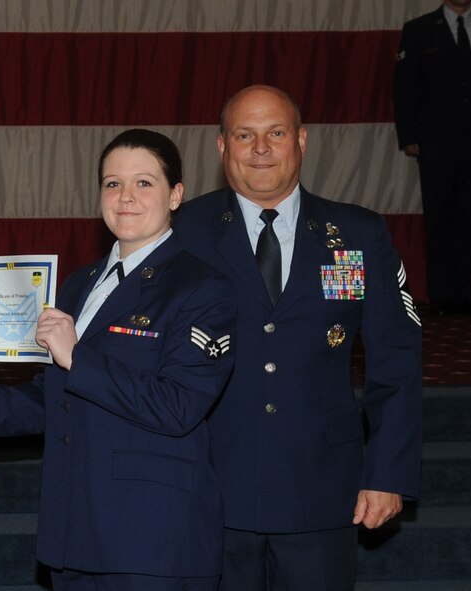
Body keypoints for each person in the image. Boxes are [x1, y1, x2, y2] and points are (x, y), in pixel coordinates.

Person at [0, 129, 236, 590]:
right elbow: (52, 397)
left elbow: (178, 406)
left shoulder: (203, 289)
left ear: (176, 195)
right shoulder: (80, 285)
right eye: (112, 183)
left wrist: (78, 357)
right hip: (75, 532)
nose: (125, 198)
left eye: (144, 183)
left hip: (152, 542)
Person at [174, 85, 423, 591]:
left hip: (323, 486)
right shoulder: (183, 231)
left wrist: (388, 472)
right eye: (245, 135)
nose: (261, 148)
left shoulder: (357, 234)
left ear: (302, 140)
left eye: (276, 133)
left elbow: (395, 361)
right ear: (222, 148)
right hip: (209, 484)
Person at [393, 0, 471, 316]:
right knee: (440, 219)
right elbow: (405, 86)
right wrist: (410, 136)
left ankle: (465, 295)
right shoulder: (419, 30)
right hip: (436, 144)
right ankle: (443, 296)